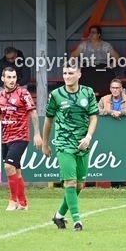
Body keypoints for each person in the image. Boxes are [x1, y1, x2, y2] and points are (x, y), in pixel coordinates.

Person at [43, 62, 98, 232]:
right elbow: (48, 120)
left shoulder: (88, 92)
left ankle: (59, 215)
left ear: (79, 75)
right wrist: (45, 142)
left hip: (82, 144)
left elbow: (94, 117)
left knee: (80, 185)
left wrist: (88, 137)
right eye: (65, 73)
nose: (67, 76)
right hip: (63, 143)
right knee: (70, 182)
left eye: (71, 73)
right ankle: (77, 221)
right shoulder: (56, 95)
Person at [0, 66, 43, 211]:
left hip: (21, 136)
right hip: (6, 137)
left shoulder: (23, 93)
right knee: (16, 171)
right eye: (9, 77)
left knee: (8, 166)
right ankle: (23, 203)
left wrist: (37, 133)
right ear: (3, 79)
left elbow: (33, 113)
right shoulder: (0, 96)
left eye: (14, 77)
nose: (12, 80)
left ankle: (13, 201)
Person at [70, 25, 120, 97]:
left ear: (98, 35)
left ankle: (104, 99)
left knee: (107, 76)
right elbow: (72, 56)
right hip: (88, 67)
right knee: (83, 76)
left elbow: (117, 57)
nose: (91, 34)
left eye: (94, 32)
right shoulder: (84, 45)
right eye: (90, 32)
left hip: (102, 67)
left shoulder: (105, 45)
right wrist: (78, 67)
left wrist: (110, 67)